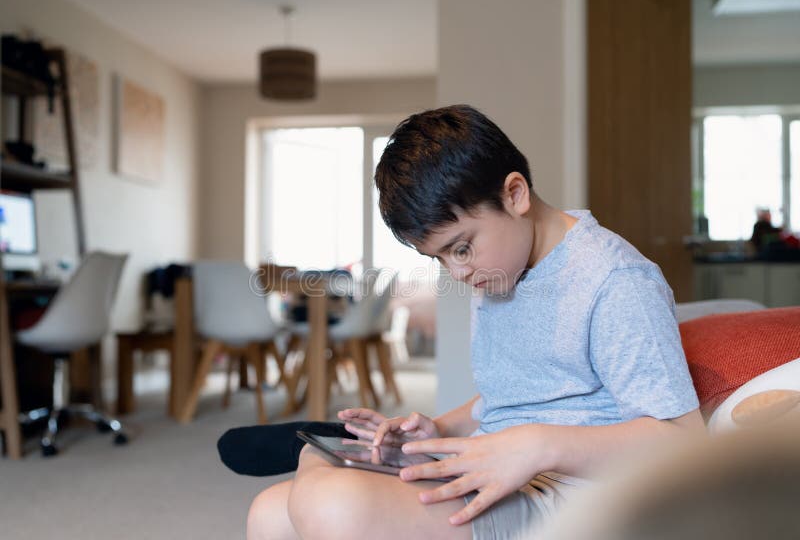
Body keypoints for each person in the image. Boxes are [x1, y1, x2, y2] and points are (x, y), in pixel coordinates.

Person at [245, 105, 704, 539]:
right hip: (493, 469)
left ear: (515, 194)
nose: (458, 273)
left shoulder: (615, 280)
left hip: (567, 495)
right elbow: (514, 393)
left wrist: (538, 446)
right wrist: (438, 429)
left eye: (461, 248)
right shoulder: (500, 268)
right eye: (440, 258)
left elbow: (681, 444)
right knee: (275, 506)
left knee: (329, 501)